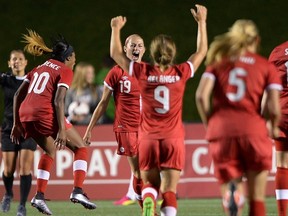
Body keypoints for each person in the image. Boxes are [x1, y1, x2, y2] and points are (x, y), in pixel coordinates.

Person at [109, 4, 207, 216]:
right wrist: (202, 23)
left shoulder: (142, 71)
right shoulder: (180, 72)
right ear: (173, 54)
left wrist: (116, 28)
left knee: (150, 185)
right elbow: (201, 52)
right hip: (173, 138)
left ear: (151, 52)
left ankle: (149, 200)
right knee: (170, 190)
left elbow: (116, 53)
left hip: (148, 139)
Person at [195, 19, 282, 216]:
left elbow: (201, 96)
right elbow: (273, 107)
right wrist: (273, 125)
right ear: (256, 40)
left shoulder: (218, 62)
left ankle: (233, 197)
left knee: (230, 185)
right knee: (257, 198)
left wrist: (211, 122)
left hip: (222, 131)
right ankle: (244, 200)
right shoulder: (265, 66)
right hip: (253, 130)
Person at [10, 29, 97, 215]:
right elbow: (58, 101)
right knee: (80, 148)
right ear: (68, 57)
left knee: (49, 151)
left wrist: (17, 124)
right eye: (74, 57)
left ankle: (39, 196)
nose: (75, 60)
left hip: (25, 115)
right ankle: (78, 191)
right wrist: (62, 131)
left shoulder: (39, 68)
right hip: (44, 113)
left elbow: (18, 94)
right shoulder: (65, 70)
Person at [83, 33, 146, 210]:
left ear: (144, 49)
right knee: (139, 171)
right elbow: (103, 103)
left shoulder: (149, 71)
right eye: (132, 45)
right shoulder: (116, 72)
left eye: (139, 45)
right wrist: (89, 129)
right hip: (126, 127)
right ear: (125, 49)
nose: (136, 48)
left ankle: (147, 202)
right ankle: (146, 210)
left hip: (147, 128)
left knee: (148, 169)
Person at [0, 50, 37, 216]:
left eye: (20, 59)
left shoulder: (33, 80)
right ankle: (8, 194)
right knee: (8, 170)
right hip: (8, 128)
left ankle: (22, 205)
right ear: (9, 63)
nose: (17, 62)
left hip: (28, 129)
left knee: (25, 169)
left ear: (25, 62)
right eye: (13, 59)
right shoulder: (5, 80)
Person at [268, 41, 288, 216]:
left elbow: (269, 87)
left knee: (282, 164)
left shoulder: (278, 50)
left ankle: (283, 214)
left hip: (283, 114)